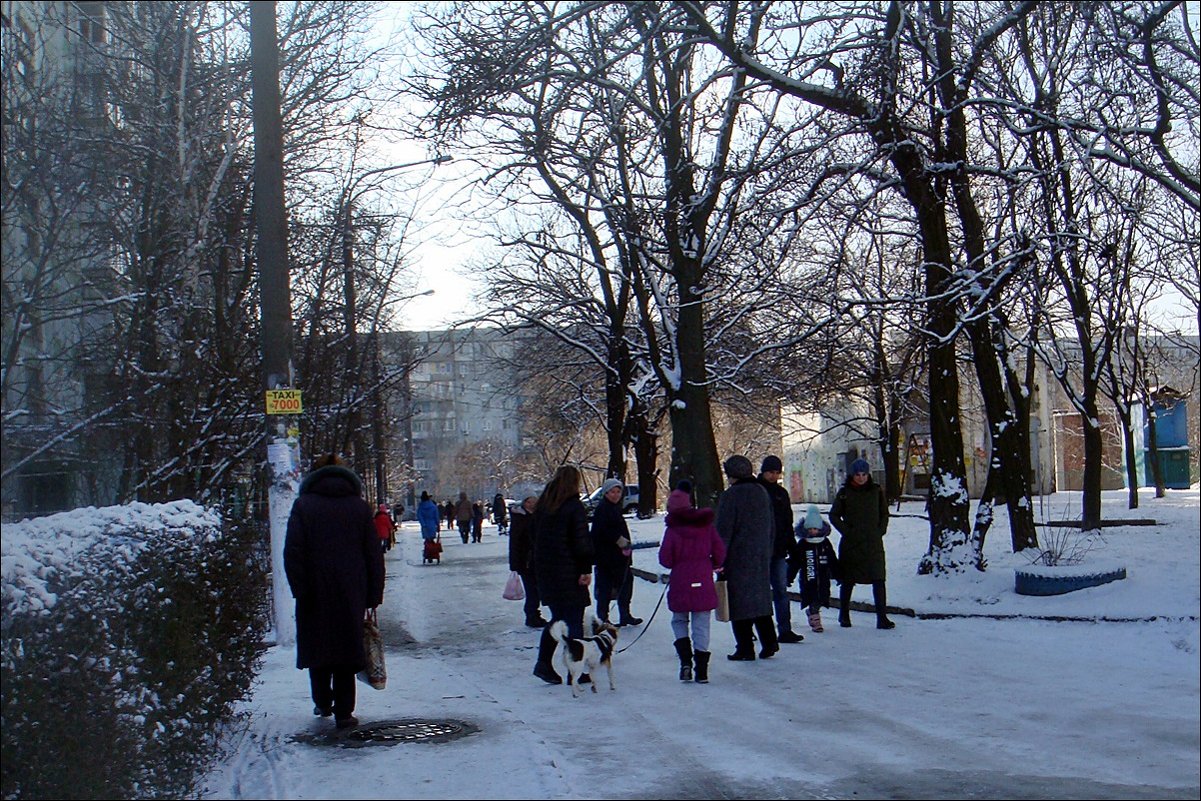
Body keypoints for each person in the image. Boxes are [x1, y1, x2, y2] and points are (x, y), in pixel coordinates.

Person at [283, 453, 385, 730]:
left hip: (313, 591)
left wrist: (300, 588)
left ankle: (322, 701)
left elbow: (293, 551)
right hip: (351, 589)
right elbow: (372, 554)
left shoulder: (303, 506)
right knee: (346, 649)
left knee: (319, 647)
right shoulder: (359, 507)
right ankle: (344, 712)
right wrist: (373, 594)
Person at [531, 465, 595, 685]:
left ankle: (544, 664)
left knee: (558, 619)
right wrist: (585, 569)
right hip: (569, 571)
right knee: (573, 620)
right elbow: (581, 541)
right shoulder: (573, 507)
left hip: (547, 571)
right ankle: (574, 670)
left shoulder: (544, 506)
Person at [658, 481, 726, 683]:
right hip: (703, 578)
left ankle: (685, 662)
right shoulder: (706, 526)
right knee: (701, 624)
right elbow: (720, 551)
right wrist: (714, 563)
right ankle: (702, 670)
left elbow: (665, 559)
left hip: (680, 580)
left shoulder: (672, 531)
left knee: (679, 620)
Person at [715, 454, 778, 661]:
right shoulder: (761, 492)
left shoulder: (730, 496)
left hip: (737, 558)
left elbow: (723, 531)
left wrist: (718, 558)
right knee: (760, 600)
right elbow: (771, 525)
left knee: (739, 603)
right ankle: (769, 642)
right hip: (760, 556)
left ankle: (745, 648)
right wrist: (767, 550)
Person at [829, 458, 894, 629]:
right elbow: (834, 515)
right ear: (852, 475)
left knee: (878, 579)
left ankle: (882, 617)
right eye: (857, 475)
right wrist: (847, 531)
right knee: (848, 580)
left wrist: (880, 529)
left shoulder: (876, 491)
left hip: (873, 543)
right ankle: (844, 614)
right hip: (852, 544)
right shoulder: (844, 493)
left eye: (864, 474)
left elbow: (884, 513)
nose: (861, 478)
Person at [759, 455, 803, 643]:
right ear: (764, 471)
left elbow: (786, 520)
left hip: (778, 548)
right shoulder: (756, 490)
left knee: (781, 590)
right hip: (760, 549)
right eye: (771, 472)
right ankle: (759, 628)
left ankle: (785, 629)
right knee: (760, 592)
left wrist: (791, 544)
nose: (774, 476)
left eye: (777, 473)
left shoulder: (781, 493)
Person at [591, 478, 639, 626]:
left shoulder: (614, 508)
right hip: (607, 557)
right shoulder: (603, 509)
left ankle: (625, 614)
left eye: (618, 491)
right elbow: (601, 531)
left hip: (619, 556)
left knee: (625, 584)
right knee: (605, 587)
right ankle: (602, 618)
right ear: (606, 493)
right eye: (612, 492)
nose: (616, 494)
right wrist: (618, 540)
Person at [789, 504, 839, 633]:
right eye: (810, 529)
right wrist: (789, 576)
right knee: (812, 599)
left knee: (821, 598)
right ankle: (815, 620)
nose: (813, 531)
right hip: (808, 578)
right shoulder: (803, 544)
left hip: (823, 579)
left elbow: (832, 560)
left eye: (815, 528)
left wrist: (838, 574)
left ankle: (813, 612)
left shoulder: (825, 543)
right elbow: (795, 562)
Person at [509, 495, 548, 627]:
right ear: (524, 503)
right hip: (526, 561)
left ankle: (534, 614)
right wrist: (514, 563)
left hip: (538, 559)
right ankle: (532, 615)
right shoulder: (519, 518)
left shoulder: (540, 516)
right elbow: (515, 542)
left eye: (534, 501)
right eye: (529, 501)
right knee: (532, 590)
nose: (532, 504)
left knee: (537, 589)